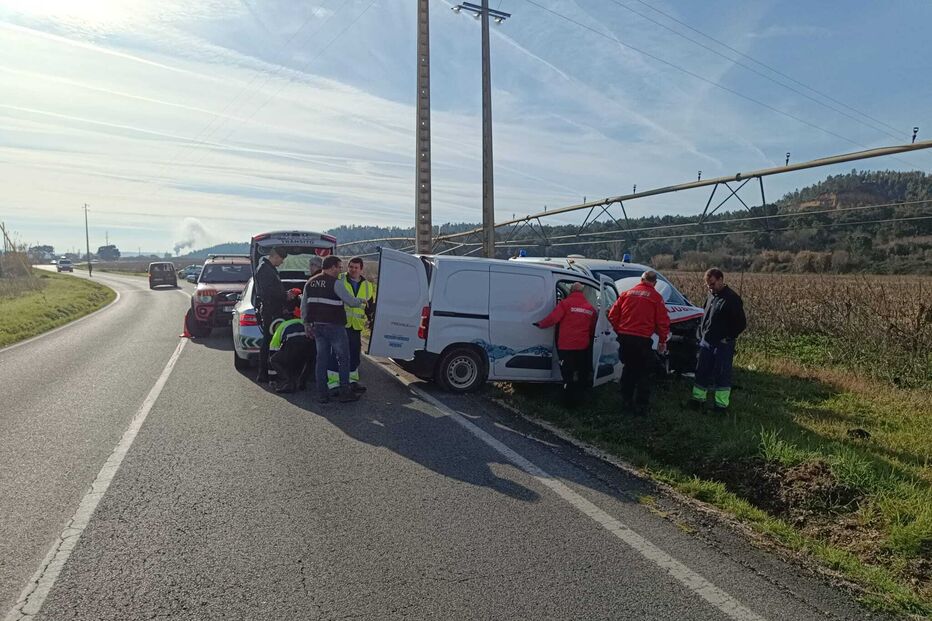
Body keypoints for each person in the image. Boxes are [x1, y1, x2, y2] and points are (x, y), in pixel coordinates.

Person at [608, 270, 670, 415]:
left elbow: (612, 314)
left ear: (641, 280)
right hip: (642, 339)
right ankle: (641, 406)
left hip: (625, 338)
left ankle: (625, 401)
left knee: (628, 369)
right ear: (654, 283)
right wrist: (662, 341)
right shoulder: (656, 297)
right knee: (644, 372)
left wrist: (620, 330)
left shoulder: (626, 293)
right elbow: (662, 322)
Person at [303, 255, 364, 404]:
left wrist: (306, 324)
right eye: (339, 267)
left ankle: (322, 394)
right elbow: (350, 301)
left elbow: (304, 306)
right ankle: (344, 392)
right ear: (332, 267)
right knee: (343, 359)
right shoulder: (335, 283)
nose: (340, 270)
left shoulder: (310, 283)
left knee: (321, 359)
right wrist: (361, 301)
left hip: (317, 326)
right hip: (335, 326)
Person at [689, 268, 747, 412]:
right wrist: (701, 334)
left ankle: (720, 407)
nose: (710, 287)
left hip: (723, 344)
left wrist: (727, 337)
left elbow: (740, 324)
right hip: (706, 342)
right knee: (702, 371)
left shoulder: (732, 299)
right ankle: (698, 400)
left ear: (721, 280)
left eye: (713, 284)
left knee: (722, 374)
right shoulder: (711, 296)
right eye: (708, 285)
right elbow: (705, 317)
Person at [534, 282, 597, 405]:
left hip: (566, 346)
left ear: (571, 291)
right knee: (579, 372)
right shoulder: (590, 308)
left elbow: (553, 318)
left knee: (567, 374)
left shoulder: (565, 304)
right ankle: (580, 398)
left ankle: (568, 401)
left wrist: (540, 324)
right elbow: (593, 328)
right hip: (582, 346)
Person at [325, 257, 376, 394]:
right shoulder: (339, 279)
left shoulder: (368, 286)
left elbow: (369, 306)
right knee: (337, 354)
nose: (353, 270)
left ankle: (352, 381)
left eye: (356, 267)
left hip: (356, 326)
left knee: (354, 354)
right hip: (340, 324)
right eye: (350, 267)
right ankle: (333, 383)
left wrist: (371, 320)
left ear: (361, 269)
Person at [254, 247, 294, 383]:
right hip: (270, 311)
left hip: (273, 309)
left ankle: (270, 371)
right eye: (281, 260)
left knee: (271, 341)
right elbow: (267, 291)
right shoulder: (265, 269)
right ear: (275, 256)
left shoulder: (268, 268)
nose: (281, 263)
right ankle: (264, 373)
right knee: (268, 342)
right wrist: (285, 295)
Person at [268, 293, 312, 394]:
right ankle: (302, 381)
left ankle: (288, 382)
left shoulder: (283, 325)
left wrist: (272, 378)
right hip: (307, 350)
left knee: (274, 360)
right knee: (310, 359)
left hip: (291, 349)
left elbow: (273, 349)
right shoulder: (305, 323)